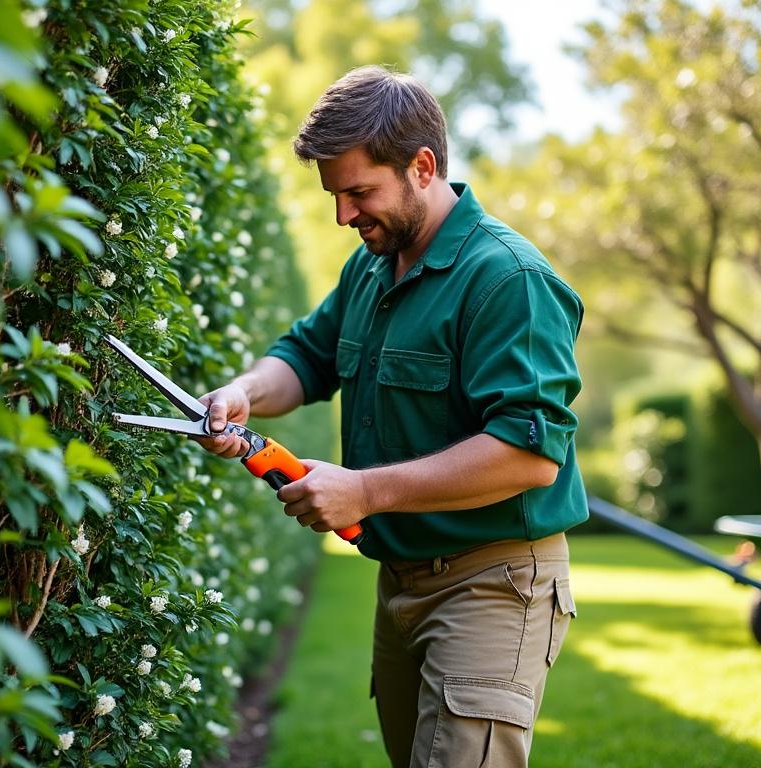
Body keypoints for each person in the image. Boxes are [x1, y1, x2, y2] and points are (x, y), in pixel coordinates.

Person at [195, 65, 587, 767]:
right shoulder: (371, 269)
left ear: (423, 167)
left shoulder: (509, 280)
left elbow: (529, 452)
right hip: (402, 577)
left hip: (493, 581)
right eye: (335, 196)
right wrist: (245, 392)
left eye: (358, 192)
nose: (343, 216)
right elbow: (306, 358)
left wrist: (364, 490)